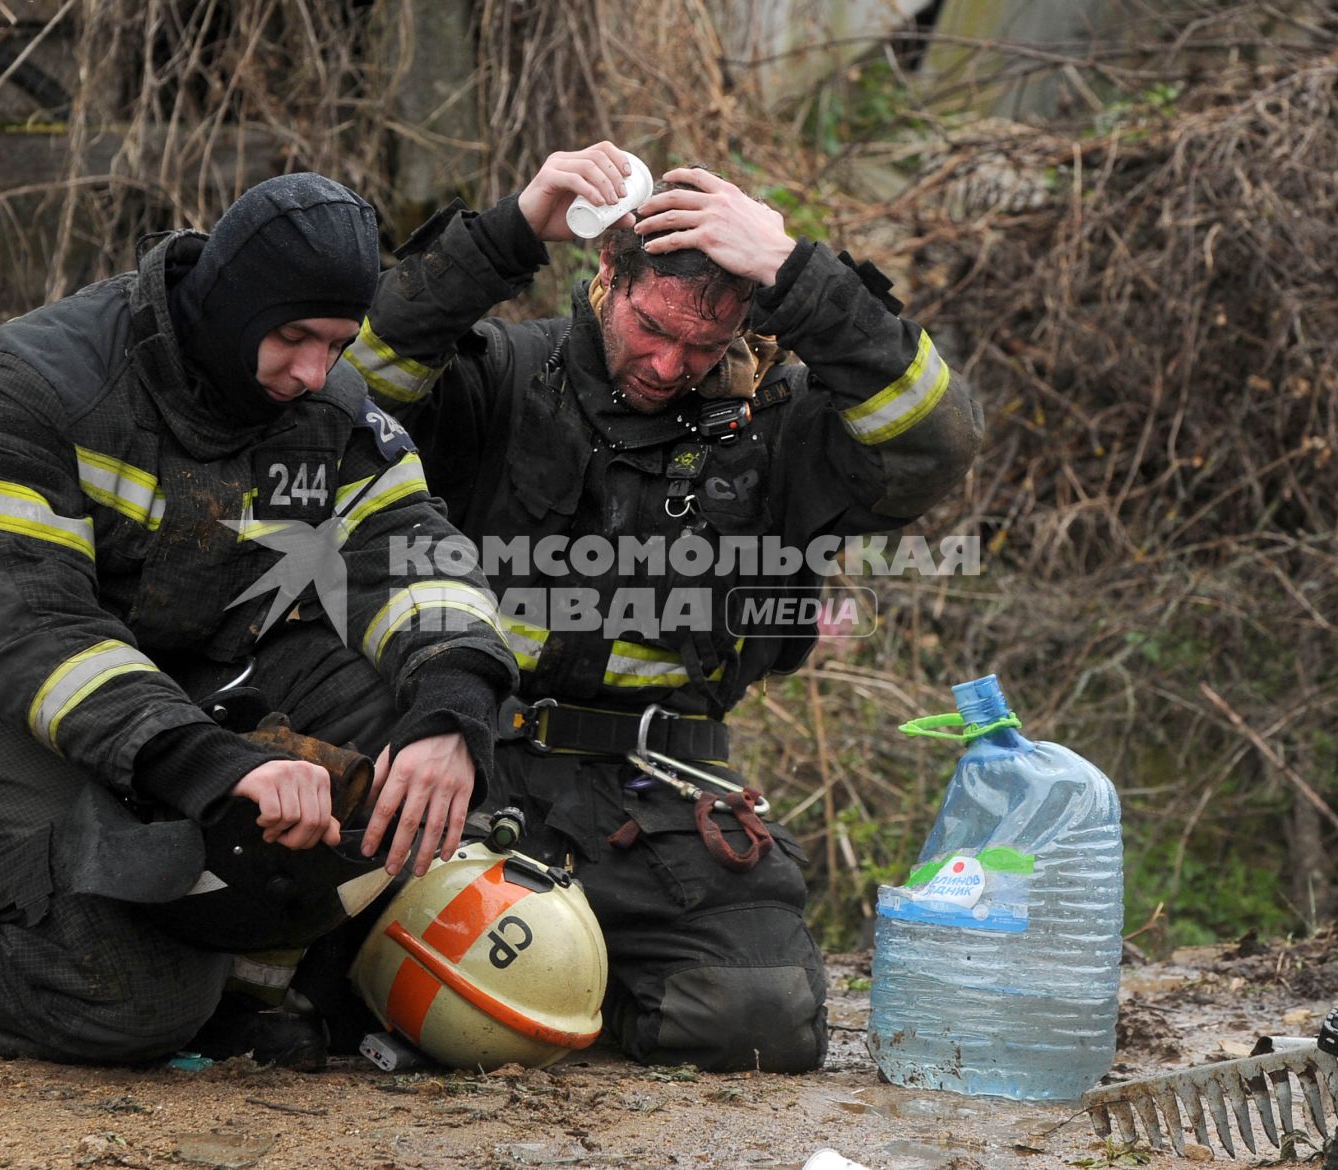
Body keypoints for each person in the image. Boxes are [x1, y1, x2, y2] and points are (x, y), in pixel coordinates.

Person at [0, 174, 517, 1065]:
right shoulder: (36, 383)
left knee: (416, 731)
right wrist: (211, 762)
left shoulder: (325, 408)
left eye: (338, 343)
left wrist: (453, 706)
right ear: (227, 307)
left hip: (192, 687)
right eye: (293, 337)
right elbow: (30, 630)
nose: (313, 372)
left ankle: (251, 973)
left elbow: (409, 552)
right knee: (135, 1001)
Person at [337, 143, 983, 1072]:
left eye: (704, 347)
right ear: (608, 271)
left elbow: (940, 441)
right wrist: (513, 227)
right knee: (298, 972)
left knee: (761, 1023)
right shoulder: (503, 374)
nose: (668, 363)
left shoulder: (783, 427)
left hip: (658, 804)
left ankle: (568, 1003)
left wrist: (798, 270)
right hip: (468, 764)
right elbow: (355, 376)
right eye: (652, 327)